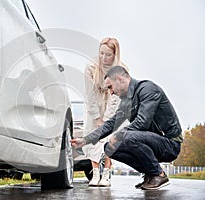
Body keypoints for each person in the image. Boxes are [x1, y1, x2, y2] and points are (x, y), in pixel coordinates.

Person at [72, 66, 183, 190]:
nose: (111, 92)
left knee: (127, 137)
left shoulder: (148, 89)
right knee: (109, 148)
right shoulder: (126, 101)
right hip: (150, 142)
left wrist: (118, 135)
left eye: (110, 87)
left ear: (120, 79)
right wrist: (85, 140)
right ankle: (150, 173)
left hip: (169, 144)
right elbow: (110, 124)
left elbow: (142, 122)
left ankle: (158, 174)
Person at [82, 37, 127, 187]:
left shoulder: (121, 70)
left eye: (108, 55)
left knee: (109, 138)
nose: (104, 58)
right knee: (93, 137)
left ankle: (106, 173)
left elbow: (118, 97)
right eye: (101, 53)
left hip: (112, 104)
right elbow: (90, 95)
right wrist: (96, 117)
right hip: (94, 105)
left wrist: (107, 120)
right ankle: (95, 173)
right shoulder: (90, 68)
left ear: (115, 55)